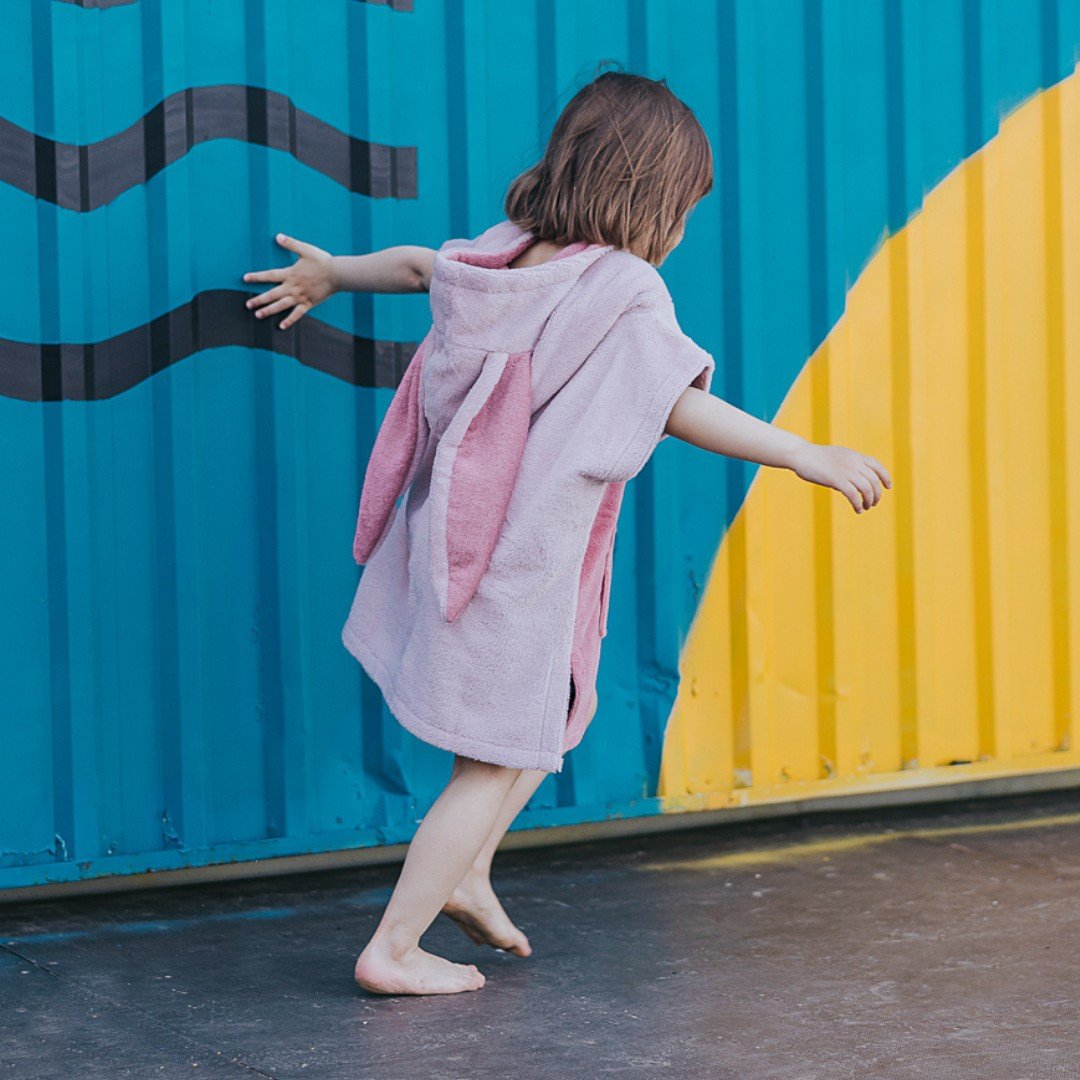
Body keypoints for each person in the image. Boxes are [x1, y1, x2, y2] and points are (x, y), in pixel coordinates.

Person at [242, 70, 892, 997]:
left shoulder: (508, 254)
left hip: (463, 539)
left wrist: (334, 272)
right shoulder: (622, 288)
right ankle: (394, 947)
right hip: (521, 562)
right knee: (498, 757)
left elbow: (422, 266)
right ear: (655, 195)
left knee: (539, 726)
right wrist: (800, 452)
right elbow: (676, 403)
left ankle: (468, 872)